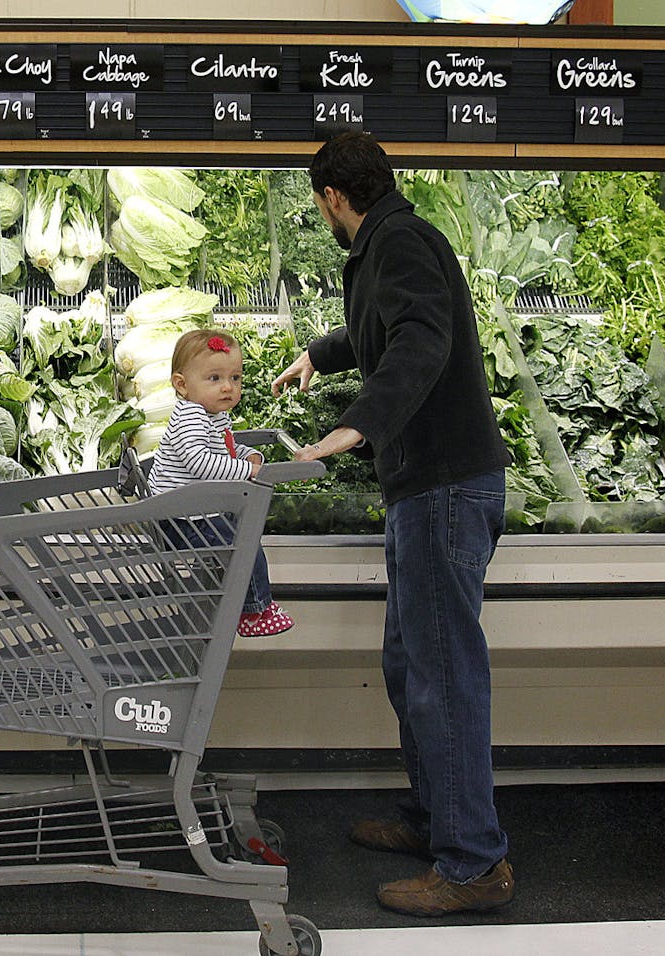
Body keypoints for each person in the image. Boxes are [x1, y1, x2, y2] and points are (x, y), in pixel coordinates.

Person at [271, 132, 515, 916]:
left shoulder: (401, 242)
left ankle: (474, 864)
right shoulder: (391, 241)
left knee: (442, 677)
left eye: (320, 206)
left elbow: (420, 343)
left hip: (446, 486)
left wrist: (357, 425)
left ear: (333, 197)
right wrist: (322, 353)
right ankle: (434, 823)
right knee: (411, 669)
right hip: (426, 489)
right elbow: (387, 329)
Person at [148, 328, 293, 638]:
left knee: (243, 537)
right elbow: (200, 463)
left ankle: (253, 605)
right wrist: (247, 471)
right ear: (182, 385)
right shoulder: (190, 417)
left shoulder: (211, 415)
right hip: (181, 519)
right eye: (214, 378)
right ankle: (255, 610)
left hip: (195, 511)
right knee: (242, 546)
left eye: (235, 378)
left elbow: (221, 449)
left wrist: (247, 454)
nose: (228, 387)